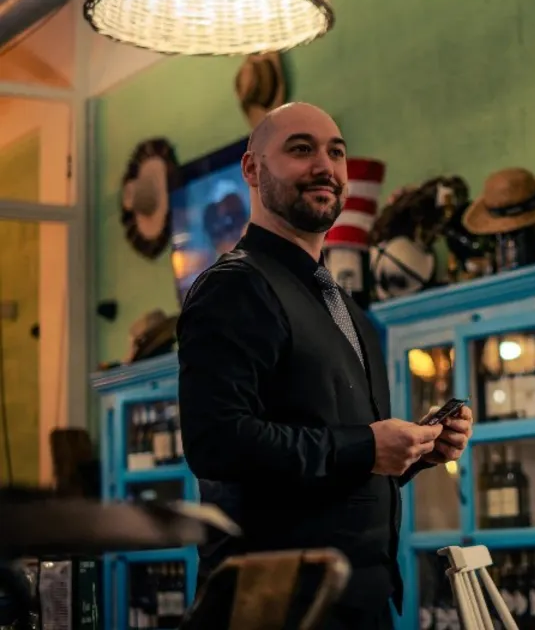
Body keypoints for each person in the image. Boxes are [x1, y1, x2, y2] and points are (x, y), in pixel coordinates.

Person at [176, 102, 473, 629]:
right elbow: (216, 442)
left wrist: (410, 454)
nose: (325, 166)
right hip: (274, 610)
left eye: (336, 153)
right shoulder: (234, 287)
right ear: (252, 169)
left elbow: (332, 468)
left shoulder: (345, 308)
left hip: (360, 605)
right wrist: (366, 446)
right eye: (300, 149)